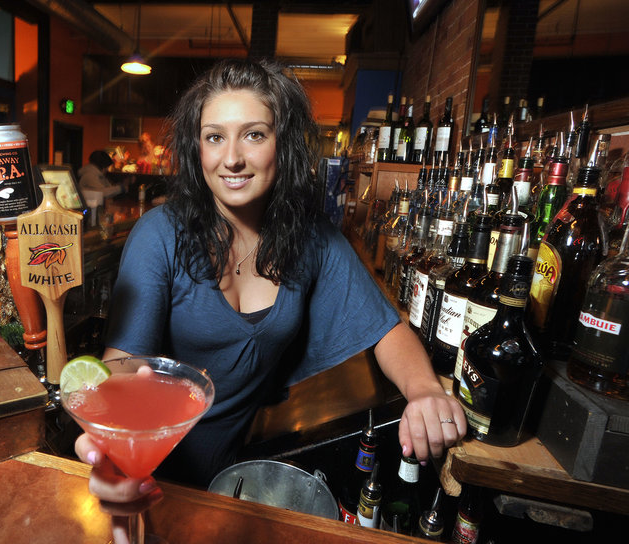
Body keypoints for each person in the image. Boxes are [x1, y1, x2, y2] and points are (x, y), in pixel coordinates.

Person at [75, 58, 465, 516]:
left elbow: (385, 328)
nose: (232, 158)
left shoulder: (310, 238)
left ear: (283, 145)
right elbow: (122, 366)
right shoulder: (160, 235)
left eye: (254, 134)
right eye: (214, 137)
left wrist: (425, 392)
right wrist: (114, 452)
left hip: (237, 478)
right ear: (196, 148)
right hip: (155, 478)